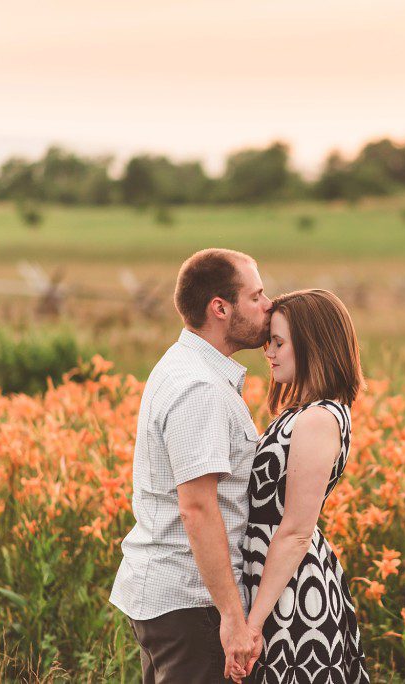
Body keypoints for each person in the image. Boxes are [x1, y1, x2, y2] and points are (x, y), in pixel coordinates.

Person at [110, 248, 269, 682]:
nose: (268, 305)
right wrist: (233, 617)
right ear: (220, 307)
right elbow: (197, 507)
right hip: (191, 601)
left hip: (177, 595)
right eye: (256, 296)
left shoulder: (190, 368)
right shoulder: (199, 389)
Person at [239, 288, 370, 683]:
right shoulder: (304, 412)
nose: (269, 353)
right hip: (275, 582)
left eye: (279, 343)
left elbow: (296, 531)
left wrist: (252, 625)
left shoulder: (319, 419)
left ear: (313, 345)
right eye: (269, 343)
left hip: (292, 595)